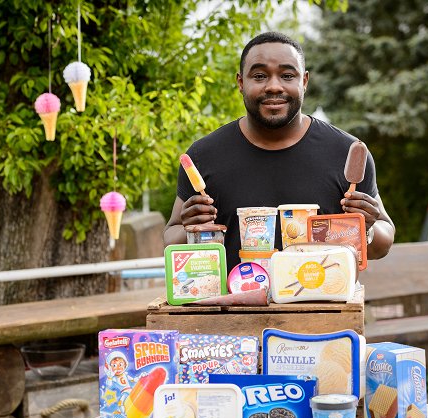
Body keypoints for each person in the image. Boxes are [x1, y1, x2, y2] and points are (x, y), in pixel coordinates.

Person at [164, 31, 395, 273]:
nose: (274, 86)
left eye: (287, 75)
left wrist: (366, 227)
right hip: (233, 307)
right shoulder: (204, 156)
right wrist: (190, 230)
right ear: (241, 82)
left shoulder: (346, 152)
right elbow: (171, 236)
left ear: (304, 81)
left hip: (323, 307)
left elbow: (383, 242)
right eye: (260, 76)